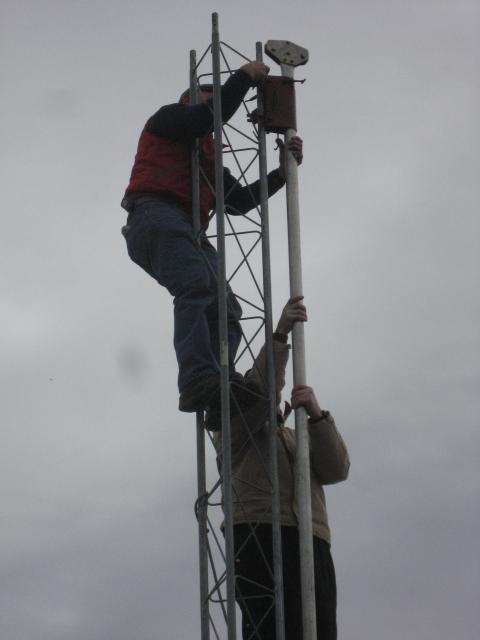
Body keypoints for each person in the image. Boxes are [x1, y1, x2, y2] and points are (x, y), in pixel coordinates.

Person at [121, 62, 303, 414]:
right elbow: (207, 118)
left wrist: (281, 173)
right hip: (154, 215)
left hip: (184, 227)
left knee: (226, 308)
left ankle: (219, 382)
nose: (217, 106)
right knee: (195, 286)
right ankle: (196, 380)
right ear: (190, 98)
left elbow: (237, 202)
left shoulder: (205, 154)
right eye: (210, 99)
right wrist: (245, 78)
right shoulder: (171, 118)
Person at [212, 297, 350, 639]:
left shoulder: (294, 437)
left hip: (310, 536)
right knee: (269, 628)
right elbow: (258, 393)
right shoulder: (235, 430)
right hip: (258, 530)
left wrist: (316, 416)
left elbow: (336, 469)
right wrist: (279, 335)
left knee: (317, 630)